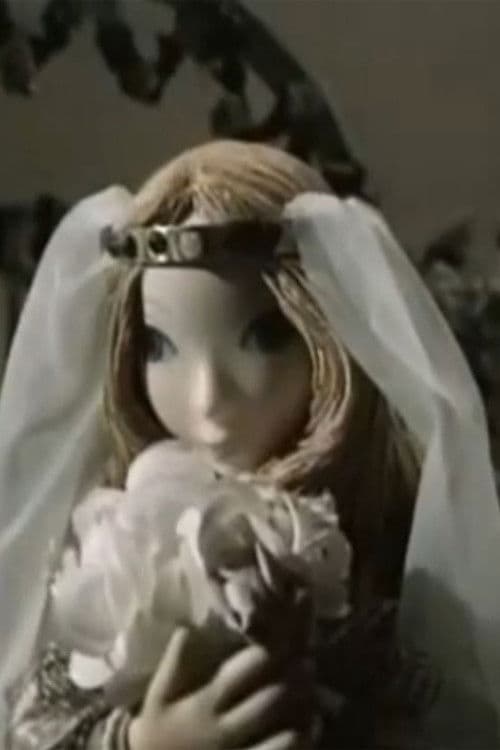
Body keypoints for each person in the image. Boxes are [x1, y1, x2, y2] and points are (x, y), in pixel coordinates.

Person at [0, 140, 499, 750]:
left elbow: (438, 709)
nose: (208, 397)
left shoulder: (381, 551)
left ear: (328, 341)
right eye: (158, 347)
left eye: (264, 338)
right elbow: (32, 723)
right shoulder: (110, 541)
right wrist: (141, 740)